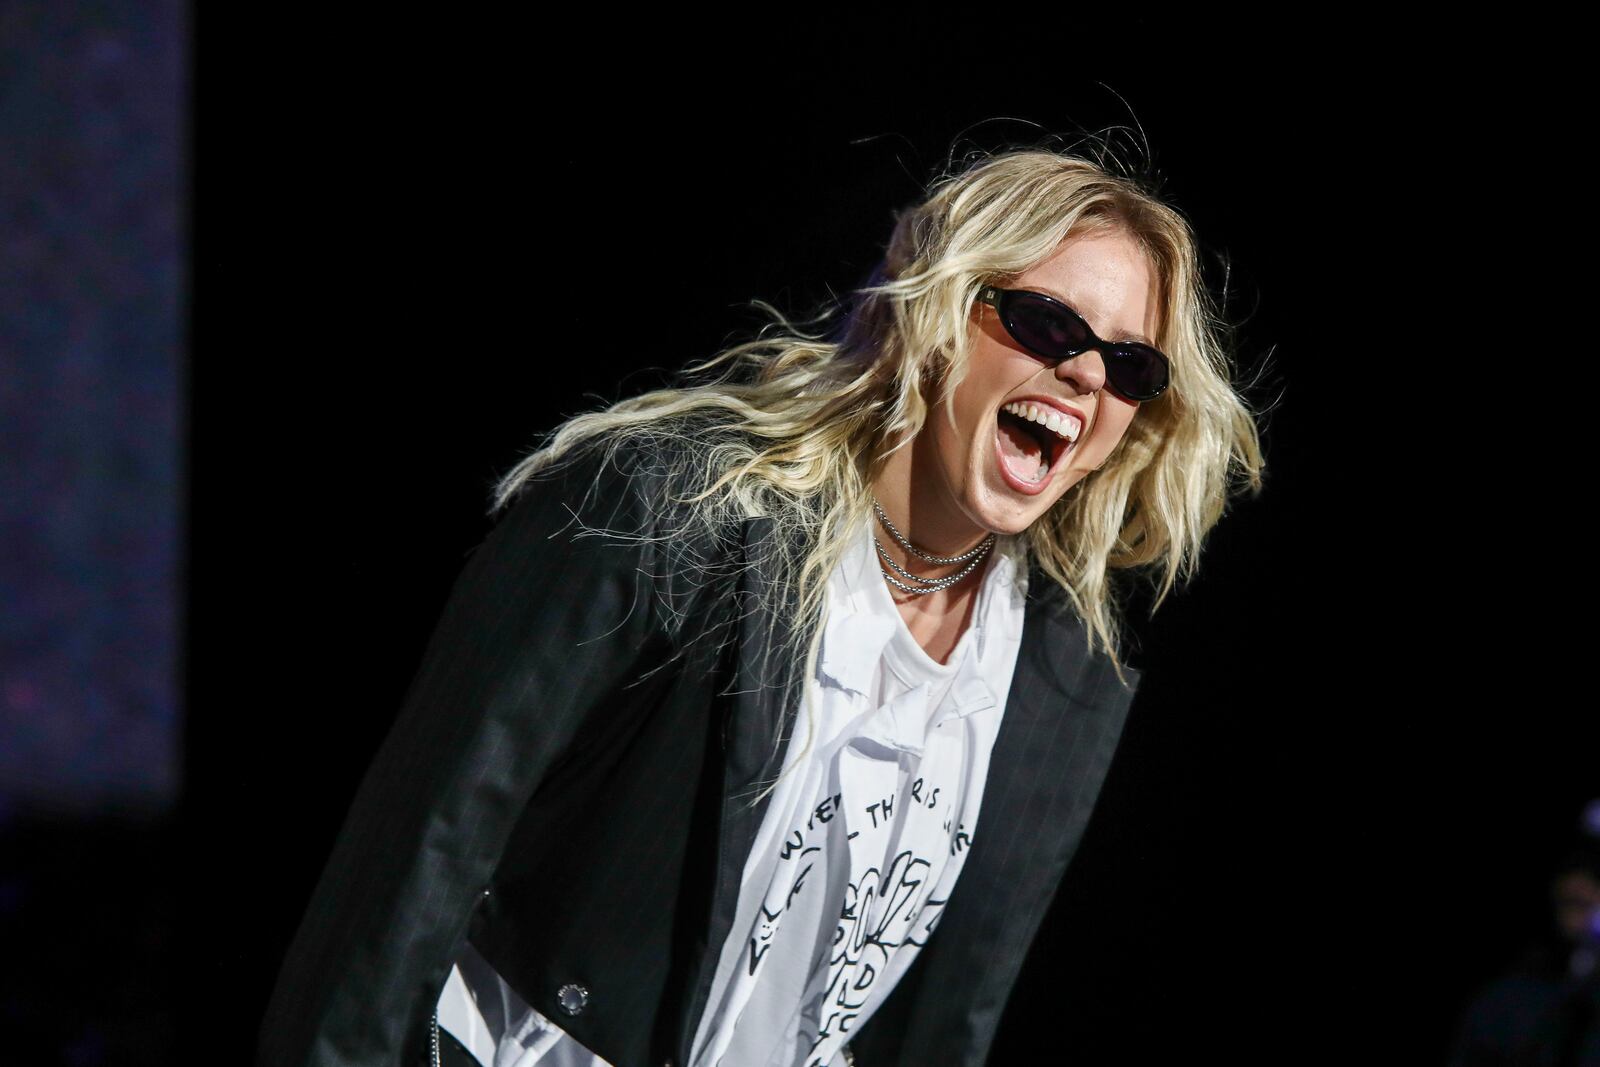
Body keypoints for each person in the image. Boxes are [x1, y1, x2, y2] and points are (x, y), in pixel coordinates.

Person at [256, 144, 1265, 1067]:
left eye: (1130, 364)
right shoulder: (672, 514)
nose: (1086, 372)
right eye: (1047, 322)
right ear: (935, 310)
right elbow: (412, 859)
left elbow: (945, 1027)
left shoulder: (1058, 674)